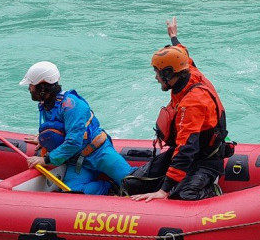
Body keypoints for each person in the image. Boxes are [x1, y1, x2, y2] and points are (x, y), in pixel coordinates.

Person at [126, 18, 231, 202]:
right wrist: (173, 37)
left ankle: (211, 189)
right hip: (192, 151)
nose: (156, 77)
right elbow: (183, 53)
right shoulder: (189, 71)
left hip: (206, 160)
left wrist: (164, 190)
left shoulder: (193, 103)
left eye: (157, 72)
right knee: (133, 183)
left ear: (168, 74)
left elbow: (186, 148)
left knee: (181, 195)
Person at [20, 61, 132, 195]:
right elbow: (58, 130)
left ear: (42, 88)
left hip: (100, 152)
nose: (29, 89)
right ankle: (109, 188)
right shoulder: (46, 105)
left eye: (31, 85)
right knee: (73, 193)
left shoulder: (73, 105)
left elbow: (73, 142)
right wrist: (43, 140)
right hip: (78, 161)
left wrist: (46, 160)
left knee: (132, 183)